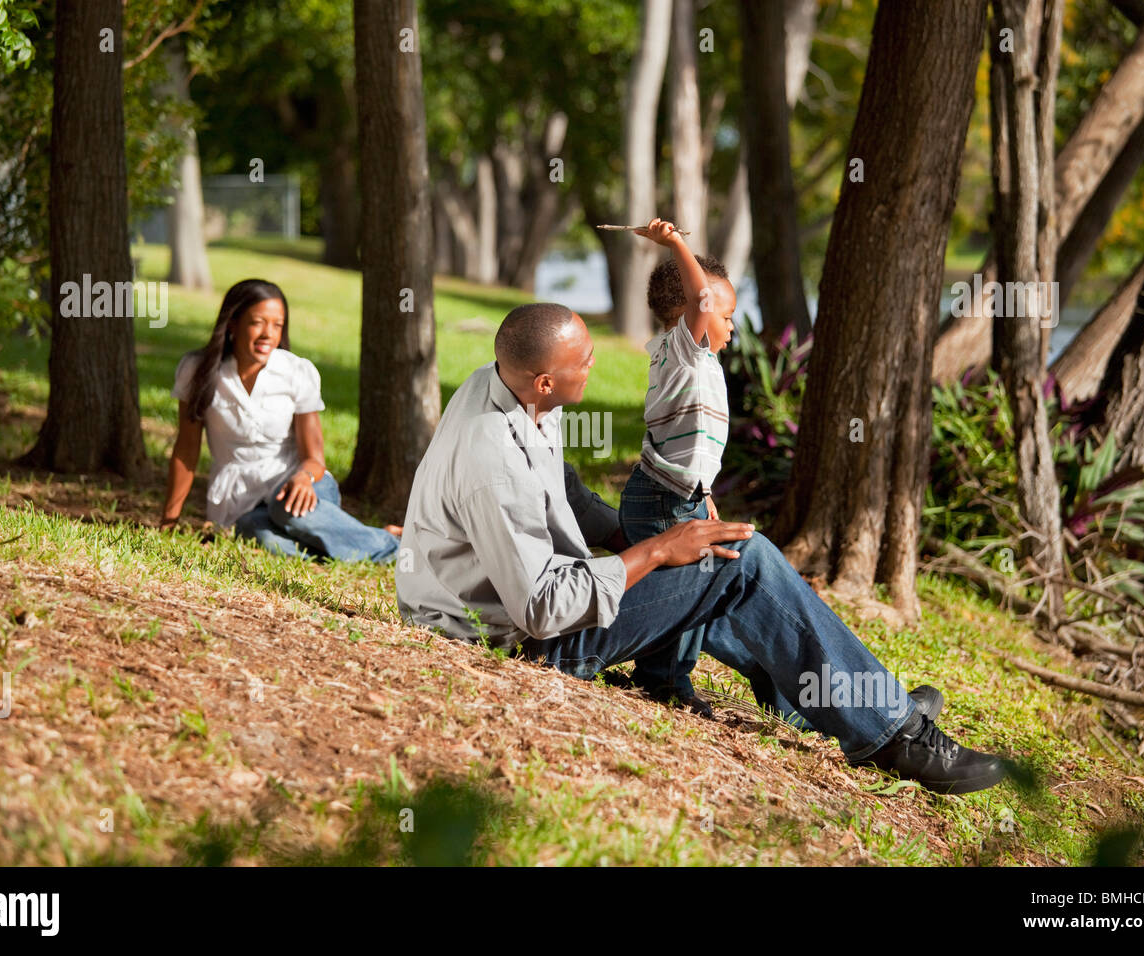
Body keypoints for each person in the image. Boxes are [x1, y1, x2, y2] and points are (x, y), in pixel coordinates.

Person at [395, 302, 1006, 795]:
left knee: (713, 554)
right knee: (745, 561)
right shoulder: (493, 463)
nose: (595, 361)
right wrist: (656, 552)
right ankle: (895, 736)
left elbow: (560, 491)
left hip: (529, 605)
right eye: (584, 359)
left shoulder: (510, 387)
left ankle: (837, 703)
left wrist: (630, 539)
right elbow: (542, 610)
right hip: (518, 640)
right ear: (548, 378)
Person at [160, 278, 401, 563]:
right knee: (260, 535)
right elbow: (186, 450)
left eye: (277, 325)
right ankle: (370, 541)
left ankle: (401, 550)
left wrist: (303, 477)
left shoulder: (296, 372)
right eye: (258, 322)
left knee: (283, 509)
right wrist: (169, 520)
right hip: (241, 501)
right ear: (233, 324)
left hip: (303, 486)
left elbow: (315, 459)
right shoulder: (197, 370)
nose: (268, 334)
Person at [617, 218, 736, 714]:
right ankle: (665, 682)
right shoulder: (684, 351)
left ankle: (661, 674)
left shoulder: (692, 360)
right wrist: (674, 243)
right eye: (725, 316)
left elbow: (694, 444)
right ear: (691, 312)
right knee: (691, 582)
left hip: (677, 490)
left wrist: (704, 494)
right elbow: (702, 302)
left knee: (687, 581)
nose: (729, 325)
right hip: (664, 497)